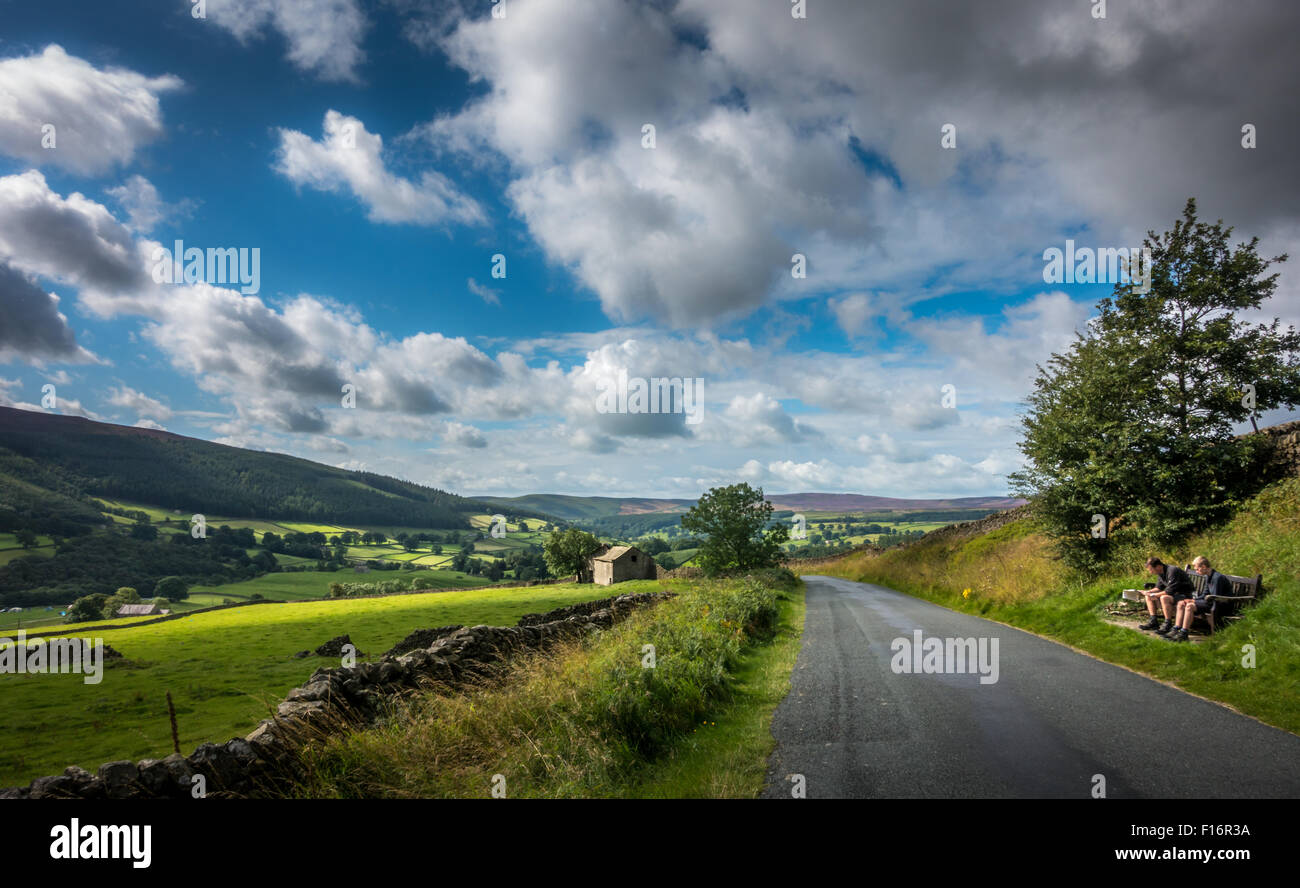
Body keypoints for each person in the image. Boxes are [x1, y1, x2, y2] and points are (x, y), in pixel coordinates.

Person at [1165, 556, 1233, 643]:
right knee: (1181, 603)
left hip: (1221, 605)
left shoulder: (1217, 578)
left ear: (1204, 567)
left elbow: (1215, 597)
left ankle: (1184, 633)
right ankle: (1176, 629)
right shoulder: (1208, 576)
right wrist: (1193, 600)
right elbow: (1205, 594)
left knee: (1189, 606)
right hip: (1212, 602)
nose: (1196, 571)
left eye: (1197, 569)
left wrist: (1194, 602)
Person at [1137, 557, 1195, 635]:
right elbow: (1159, 587)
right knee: (1148, 596)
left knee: (1164, 598)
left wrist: (1153, 594)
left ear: (1157, 566)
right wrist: (1147, 592)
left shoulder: (1172, 571)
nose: (1150, 572)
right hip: (1175, 594)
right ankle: (1153, 621)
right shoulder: (1160, 572)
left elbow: (1169, 591)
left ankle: (1168, 623)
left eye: (1151, 569)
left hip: (1184, 595)